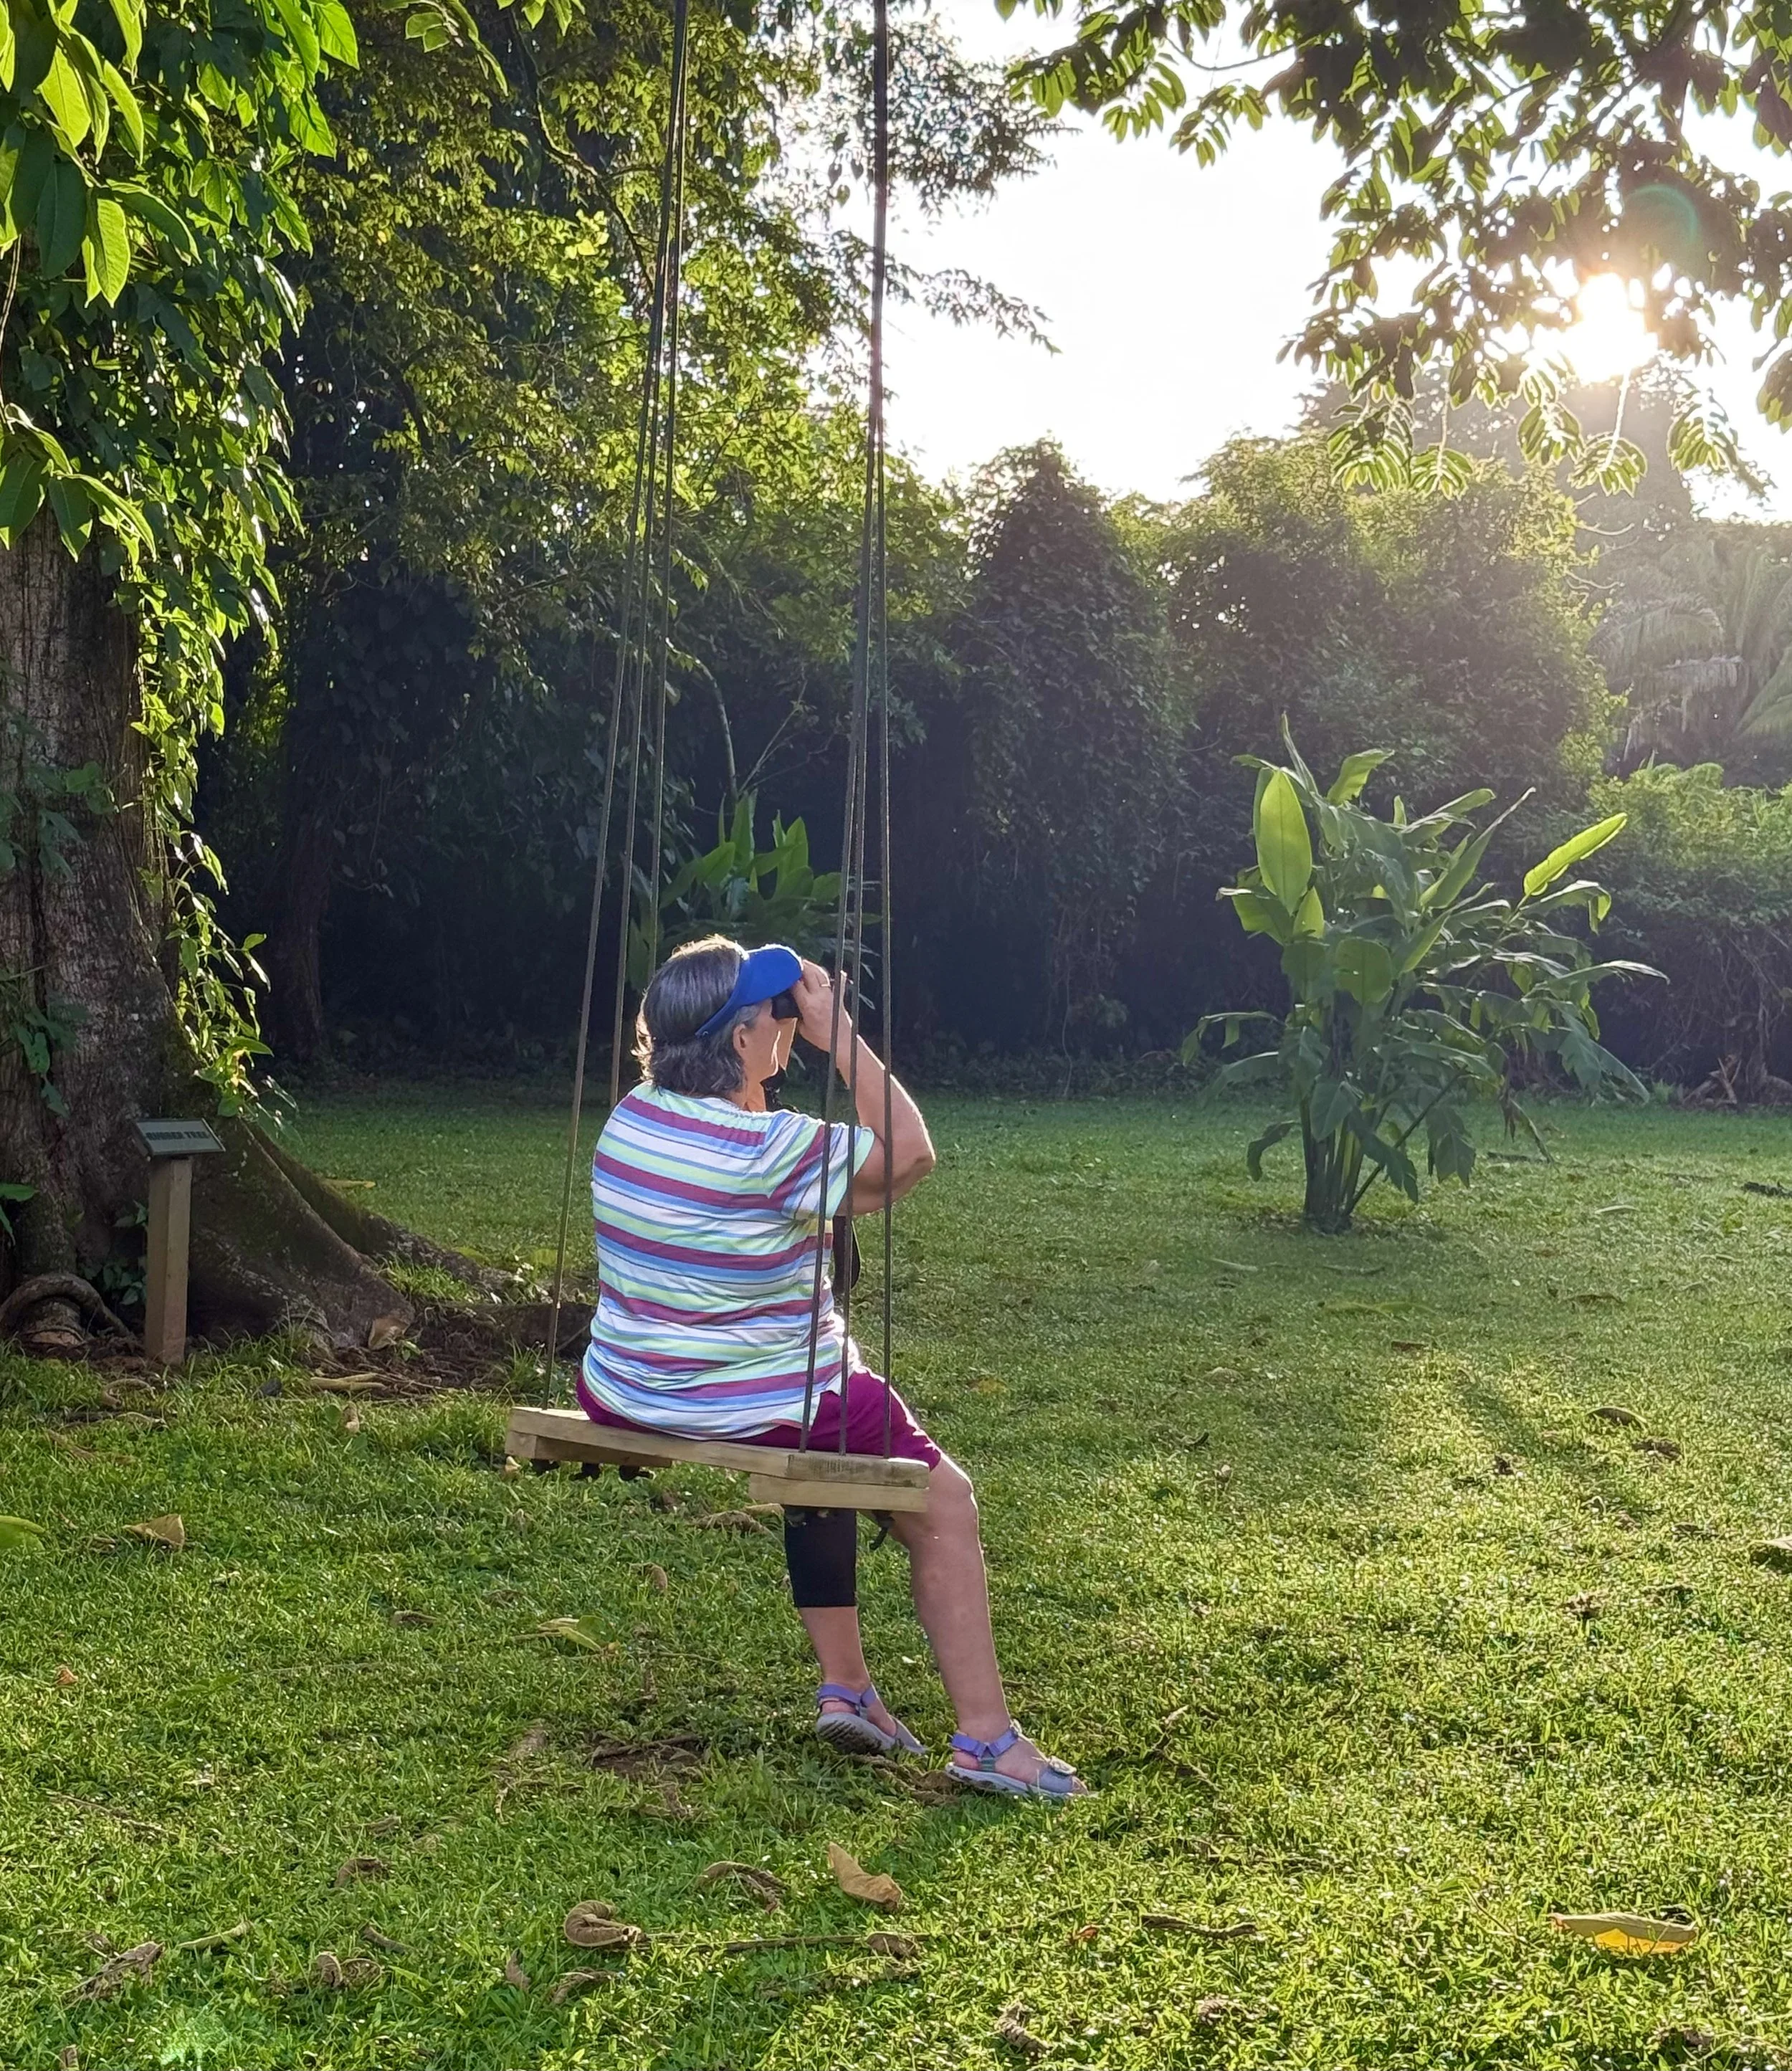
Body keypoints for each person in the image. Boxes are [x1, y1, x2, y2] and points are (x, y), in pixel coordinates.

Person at [578, 934, 1085, 1800]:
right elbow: (911, 1156)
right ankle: (988, 1741)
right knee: (943, 1499)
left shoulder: (632, 1120)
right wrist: (839, 1036)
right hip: (757, 1397)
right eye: (778, 1014)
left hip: (630, 1390)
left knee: (825, 1450)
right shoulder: (770, 1148)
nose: (788, 1026)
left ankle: (846, 1687)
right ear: (742, 1041)